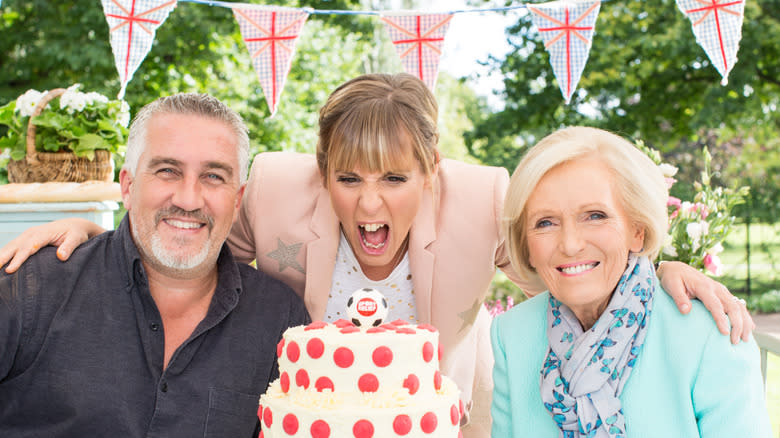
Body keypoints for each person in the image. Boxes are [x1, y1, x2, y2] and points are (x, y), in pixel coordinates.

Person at [0, 74, 754, 437]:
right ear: (321, 172)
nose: (368, 204)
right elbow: (184, 236)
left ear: (432, 174)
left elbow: (575, 233)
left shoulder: (487, 196)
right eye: (348, 178)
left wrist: (662, 268)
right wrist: (98, 238)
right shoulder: (269, 193)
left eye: (395, 179)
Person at [0, 93, 310, 437]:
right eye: (167, 171)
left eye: (213, 177)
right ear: (128, 186)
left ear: (237, 201)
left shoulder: (280, 320)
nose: (188, 200)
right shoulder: (30, 288)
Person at [491, 126, 770, 437]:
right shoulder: (511, 335)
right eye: (545, 222)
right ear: (526, 246)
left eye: (595, 215)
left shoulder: (712, 334)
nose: (570, 244)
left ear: (637, 230)